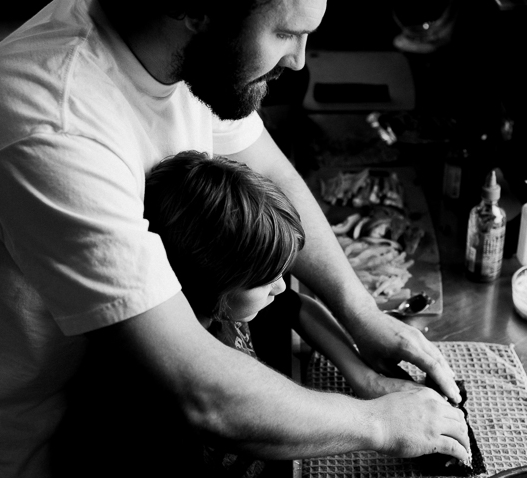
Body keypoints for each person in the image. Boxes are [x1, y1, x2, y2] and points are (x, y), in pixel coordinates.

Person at [0, 0, 469, 476]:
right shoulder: (51, 128)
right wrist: (383, 424)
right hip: (39, 438)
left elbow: (270, 171)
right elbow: (202, 391)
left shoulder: (173, 40)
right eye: (285, 33)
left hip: (124, 394)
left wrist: (362, 315)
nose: (298, 61)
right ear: (196, 7)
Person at [54, 150, 440, 476]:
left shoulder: (219, 306)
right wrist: (379, 421)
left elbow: (297, 308)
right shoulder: (153, 407)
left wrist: (365, 377)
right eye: (266, 281)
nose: (282, 286)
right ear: (215, 285)